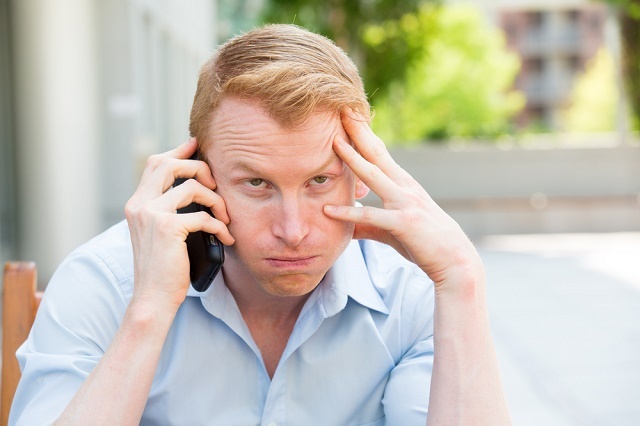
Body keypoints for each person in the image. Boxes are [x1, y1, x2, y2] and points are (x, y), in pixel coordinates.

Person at [10, 24, 510, 425]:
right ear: (197, 177)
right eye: (256, 185)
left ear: (362, 175)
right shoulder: (105, 281)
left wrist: (463, 276)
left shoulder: (415, 295)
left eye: (319, 180)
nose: (292, 230)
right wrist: (147, 313)